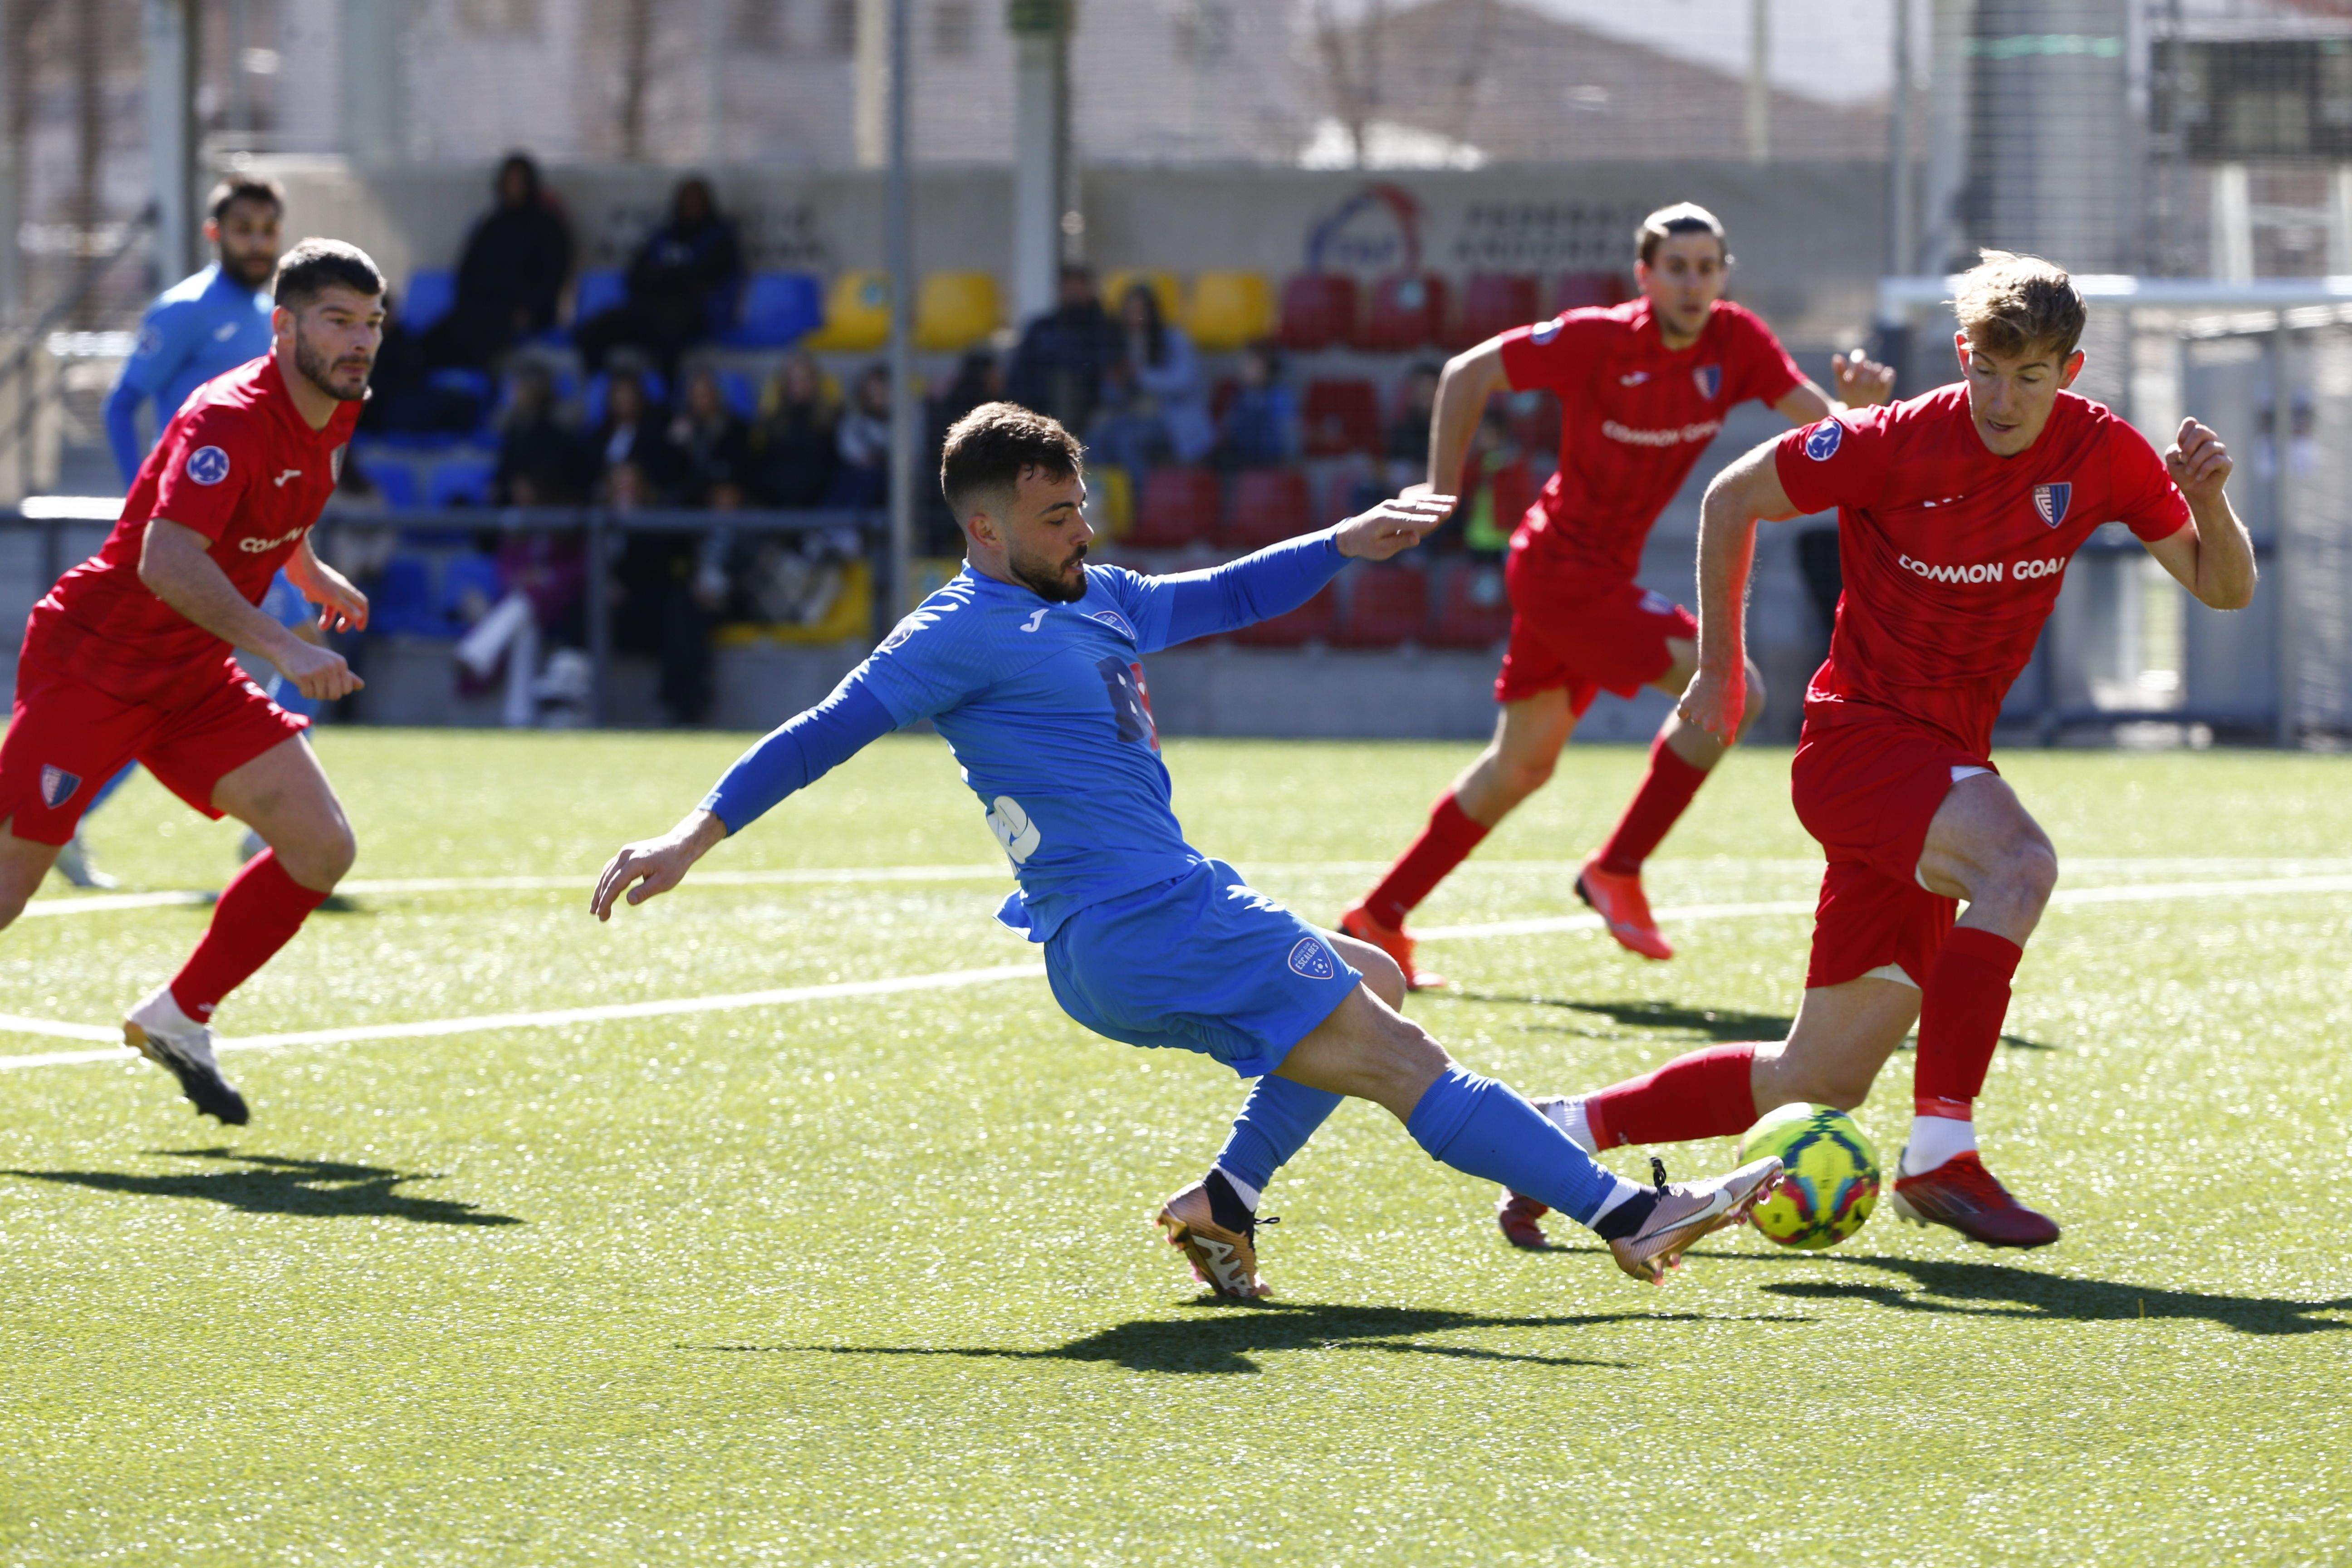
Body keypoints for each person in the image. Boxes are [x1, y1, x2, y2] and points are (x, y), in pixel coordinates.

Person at [588, 402, 1782, 1295]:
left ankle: (1226, 1198)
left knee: (1368, 978)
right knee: (1398, 1055)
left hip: (1143, 923)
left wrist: (1344, 540)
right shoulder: (951, 633)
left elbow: (1219, 597)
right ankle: (1629, 1212)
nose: (1083, 529)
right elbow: (822, 732)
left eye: (1082, 506)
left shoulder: (1094, 594)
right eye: (1057, 517)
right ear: (985, 528)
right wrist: (694, 836)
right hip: (1144, 922)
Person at [1499, 251, 2255, 1251]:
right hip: (1859, 744)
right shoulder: (1895, 439)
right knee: (2019, 865)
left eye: (2031, 376)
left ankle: (1557, 1133)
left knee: (1815, 1079)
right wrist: (1721, 672)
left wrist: (2207, 498)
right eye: (1989, 368)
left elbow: (2222, 587)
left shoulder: (2103, 453)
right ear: (1963, 354)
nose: (2004, 396)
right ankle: (1942, 1154)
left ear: (2068, 374)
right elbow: (1733, 498)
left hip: (1940, 770)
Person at [1339, 203, 1895, 988]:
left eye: (1706, 267)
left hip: (1598, 579)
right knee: (1735, 690)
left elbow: (1824, 429)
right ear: (1643, 276)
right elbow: (1468, 371)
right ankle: (1617, 868)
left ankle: (1376, 919)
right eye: (1676, 267)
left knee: (1516, 770)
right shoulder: (1596, 338)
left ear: (1722, 274)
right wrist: (1441, 488)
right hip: (1560, 574)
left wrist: (1860, 416)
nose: (1692, 282)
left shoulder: (1736, 341)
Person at [0, 239, 385, 1124]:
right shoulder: (227, 417)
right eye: (338, 321)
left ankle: (179, 1017)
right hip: (94, 666)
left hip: (189, 675)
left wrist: (311, 573)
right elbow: (168, 559)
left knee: (321, 846)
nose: (359, 341)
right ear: (283, 326)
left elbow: (275, 507)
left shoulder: (339, 400)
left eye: (371, 324)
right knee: (8, 892)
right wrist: (282, 646)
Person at [68, 177, 292, 892]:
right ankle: (64, 809)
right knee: (162, 696)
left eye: (268, 228)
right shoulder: (188, 309)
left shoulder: (273, 314)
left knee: (302, 653)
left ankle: (275, 829)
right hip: (192, 540)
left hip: (253, 535)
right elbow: (122, 402)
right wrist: (147, 507)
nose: (257, 242)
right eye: (245, 228)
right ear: (214, 233)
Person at [573, 176, 742, 382]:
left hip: (691, 315)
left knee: (667, 337)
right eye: (686, 200)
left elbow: (703, 280)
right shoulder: (664, 235)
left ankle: (663, 402)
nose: (691, 206)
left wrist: (666, 276)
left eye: (697, 201)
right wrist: (665, 277)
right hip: (648, 308)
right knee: (591, 331)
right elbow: (635, 275)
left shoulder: (720, 238)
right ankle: (601, 392)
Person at [421, 152, 574, 369]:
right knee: (431, 341)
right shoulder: (490, 225)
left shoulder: (548, 227)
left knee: (482, 344)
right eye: (510, 182)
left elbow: (552, 278)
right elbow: (467, 271)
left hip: (518, 314)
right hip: (478, 309)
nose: (515, 188)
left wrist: (529, 311)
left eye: (520, 182)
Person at [1088, 283, 1215, 474]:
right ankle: (1105, 498)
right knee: (1095, 438)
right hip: (1132, 415)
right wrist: (1116, 382)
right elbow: (1113, 395)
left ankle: (1139, 500)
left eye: (1141, 310)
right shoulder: (1120, 343)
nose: (1135, 316)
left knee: (1128, 441)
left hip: (1174, 420)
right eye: (1130, 311)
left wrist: (1140, 375)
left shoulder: (1175, 340)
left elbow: (1184, 382)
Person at [1006, 264, 1122, 436]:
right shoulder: (1041, 327)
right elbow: (1020, 369)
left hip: (1088, 397)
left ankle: (1063, 443)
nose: (1074, 292)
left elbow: (1104, 365)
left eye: (1079, 285)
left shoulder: (1105, 328)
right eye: (1068, 285)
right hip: (1039, 397)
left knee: (1064, 382)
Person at [750, 352, 840, 509]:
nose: (797, 387)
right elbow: (760, 465)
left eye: (803, 380)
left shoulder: (832, 421)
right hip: (776, 506)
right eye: (792, 381)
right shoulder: (770, 422)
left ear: (815, 382)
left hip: (822, 507)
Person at [1213, 342, 1299, 470]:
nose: (1244, 370)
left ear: (1268, 369)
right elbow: (1231, 427)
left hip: (1269, 459)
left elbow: (1288, 433)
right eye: (1244, 364)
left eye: (1251, 365)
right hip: (1241, 455)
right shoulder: (1241, 396)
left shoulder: (1280, 398)